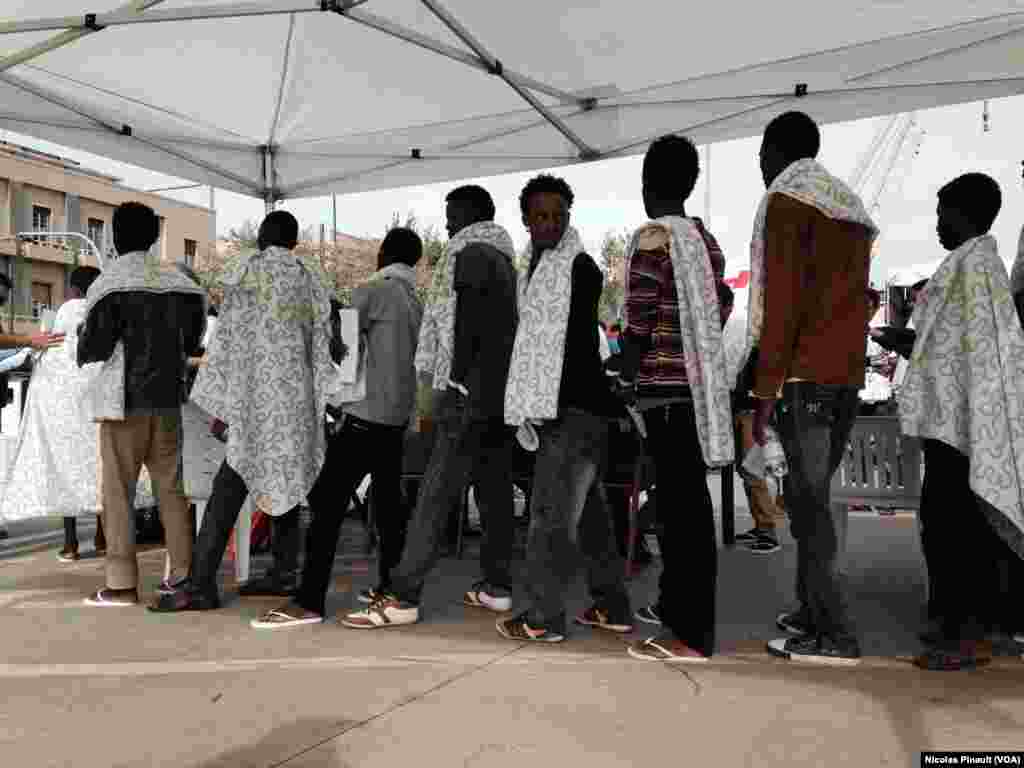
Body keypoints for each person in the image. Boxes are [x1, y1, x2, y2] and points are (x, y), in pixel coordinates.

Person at [342, 185, 519, 629]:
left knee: (435, 493)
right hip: (498, 395)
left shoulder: (472, 253)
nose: (447, 223)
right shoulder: (504, 257)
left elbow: (467, 325)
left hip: (467, 394)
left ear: (474, 213)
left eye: (452, 214)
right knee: (494, 491)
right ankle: (498, 585)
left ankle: (402, 596)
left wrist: (455, 381)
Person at [150, 210, 341, 613]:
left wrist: (224, 403)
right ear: (293, 242)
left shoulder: (245, 275)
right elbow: (326, 344)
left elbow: (228, 342)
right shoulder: (310, 280)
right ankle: (284, 572)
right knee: (288, 482)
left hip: (254, 405)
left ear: (260, 239)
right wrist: (321, 399)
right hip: (293, 407)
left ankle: (201, 584)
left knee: (227, 490)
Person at [747, 112, 878, 665]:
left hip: (803, 377)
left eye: (761, 155)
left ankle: (833, 634)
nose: (759, 166)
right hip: (845, 373)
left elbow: (783, 305)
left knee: (812, 508)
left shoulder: (786, 202)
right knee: (810, 501)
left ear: (778, 152)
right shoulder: (846, 204)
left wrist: (763, 390)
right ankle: (809, 609)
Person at [252, 227, 424, 629]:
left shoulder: (372, 289)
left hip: (365, 415)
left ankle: (308, 599)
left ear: (382, 253)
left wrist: (332, 317)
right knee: (389, 508)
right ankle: (391, 589)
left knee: (327, 504)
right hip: (397, 418)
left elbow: (344, 356)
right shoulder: (415, 300)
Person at [491, 173, 630, 643]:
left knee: (549, 520)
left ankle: (543, 618)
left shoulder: (580, 267)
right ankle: (612, 606)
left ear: (569, 218)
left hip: (571, 409)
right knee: (589, 519)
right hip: (570, 410)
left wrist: (540, 401)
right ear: (527, 221)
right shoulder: (535, 271)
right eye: (540, 216)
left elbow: (571, 348)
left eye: (558, 215)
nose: (549, 223)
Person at [611, 136, 734, 662]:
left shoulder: (655, 239)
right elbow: (722, 304)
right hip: (697, 390)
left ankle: (690, 634)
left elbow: (637, 319)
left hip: (662, 395)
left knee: (681, 516)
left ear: (646, 185)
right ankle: (676, 608)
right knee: (688, 507)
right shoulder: (704, 243)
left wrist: (623, 370)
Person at [899, 173, 1024, 670]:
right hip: (952, 422)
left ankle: (960, 637)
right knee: (942, 525)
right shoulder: (975, 266)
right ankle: (950, 623)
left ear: (964, 213)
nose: (936, 224)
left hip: (961, 426)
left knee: (954, 531)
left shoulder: (975, 267)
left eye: (941, 213)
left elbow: (978, 352)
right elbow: (953, 344)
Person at [76, 202, 207, 606]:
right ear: (154, 238)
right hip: (169, 400)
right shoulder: (183, 284)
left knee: (118, 492)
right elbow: (193, 341)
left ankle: (121, 584)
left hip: (123, 402)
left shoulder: (109, 284)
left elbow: (93, 348)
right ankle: (182, 578)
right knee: (172, 491)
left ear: (115, 237)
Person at [0, 266, 107, 559]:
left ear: (73, 289)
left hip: (61, 410)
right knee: (98, 466)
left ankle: (71, 544)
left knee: (64, 469)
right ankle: (101, 537)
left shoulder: (63, 316)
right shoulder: (105, 313)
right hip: (97, 406)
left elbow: (43, 355)